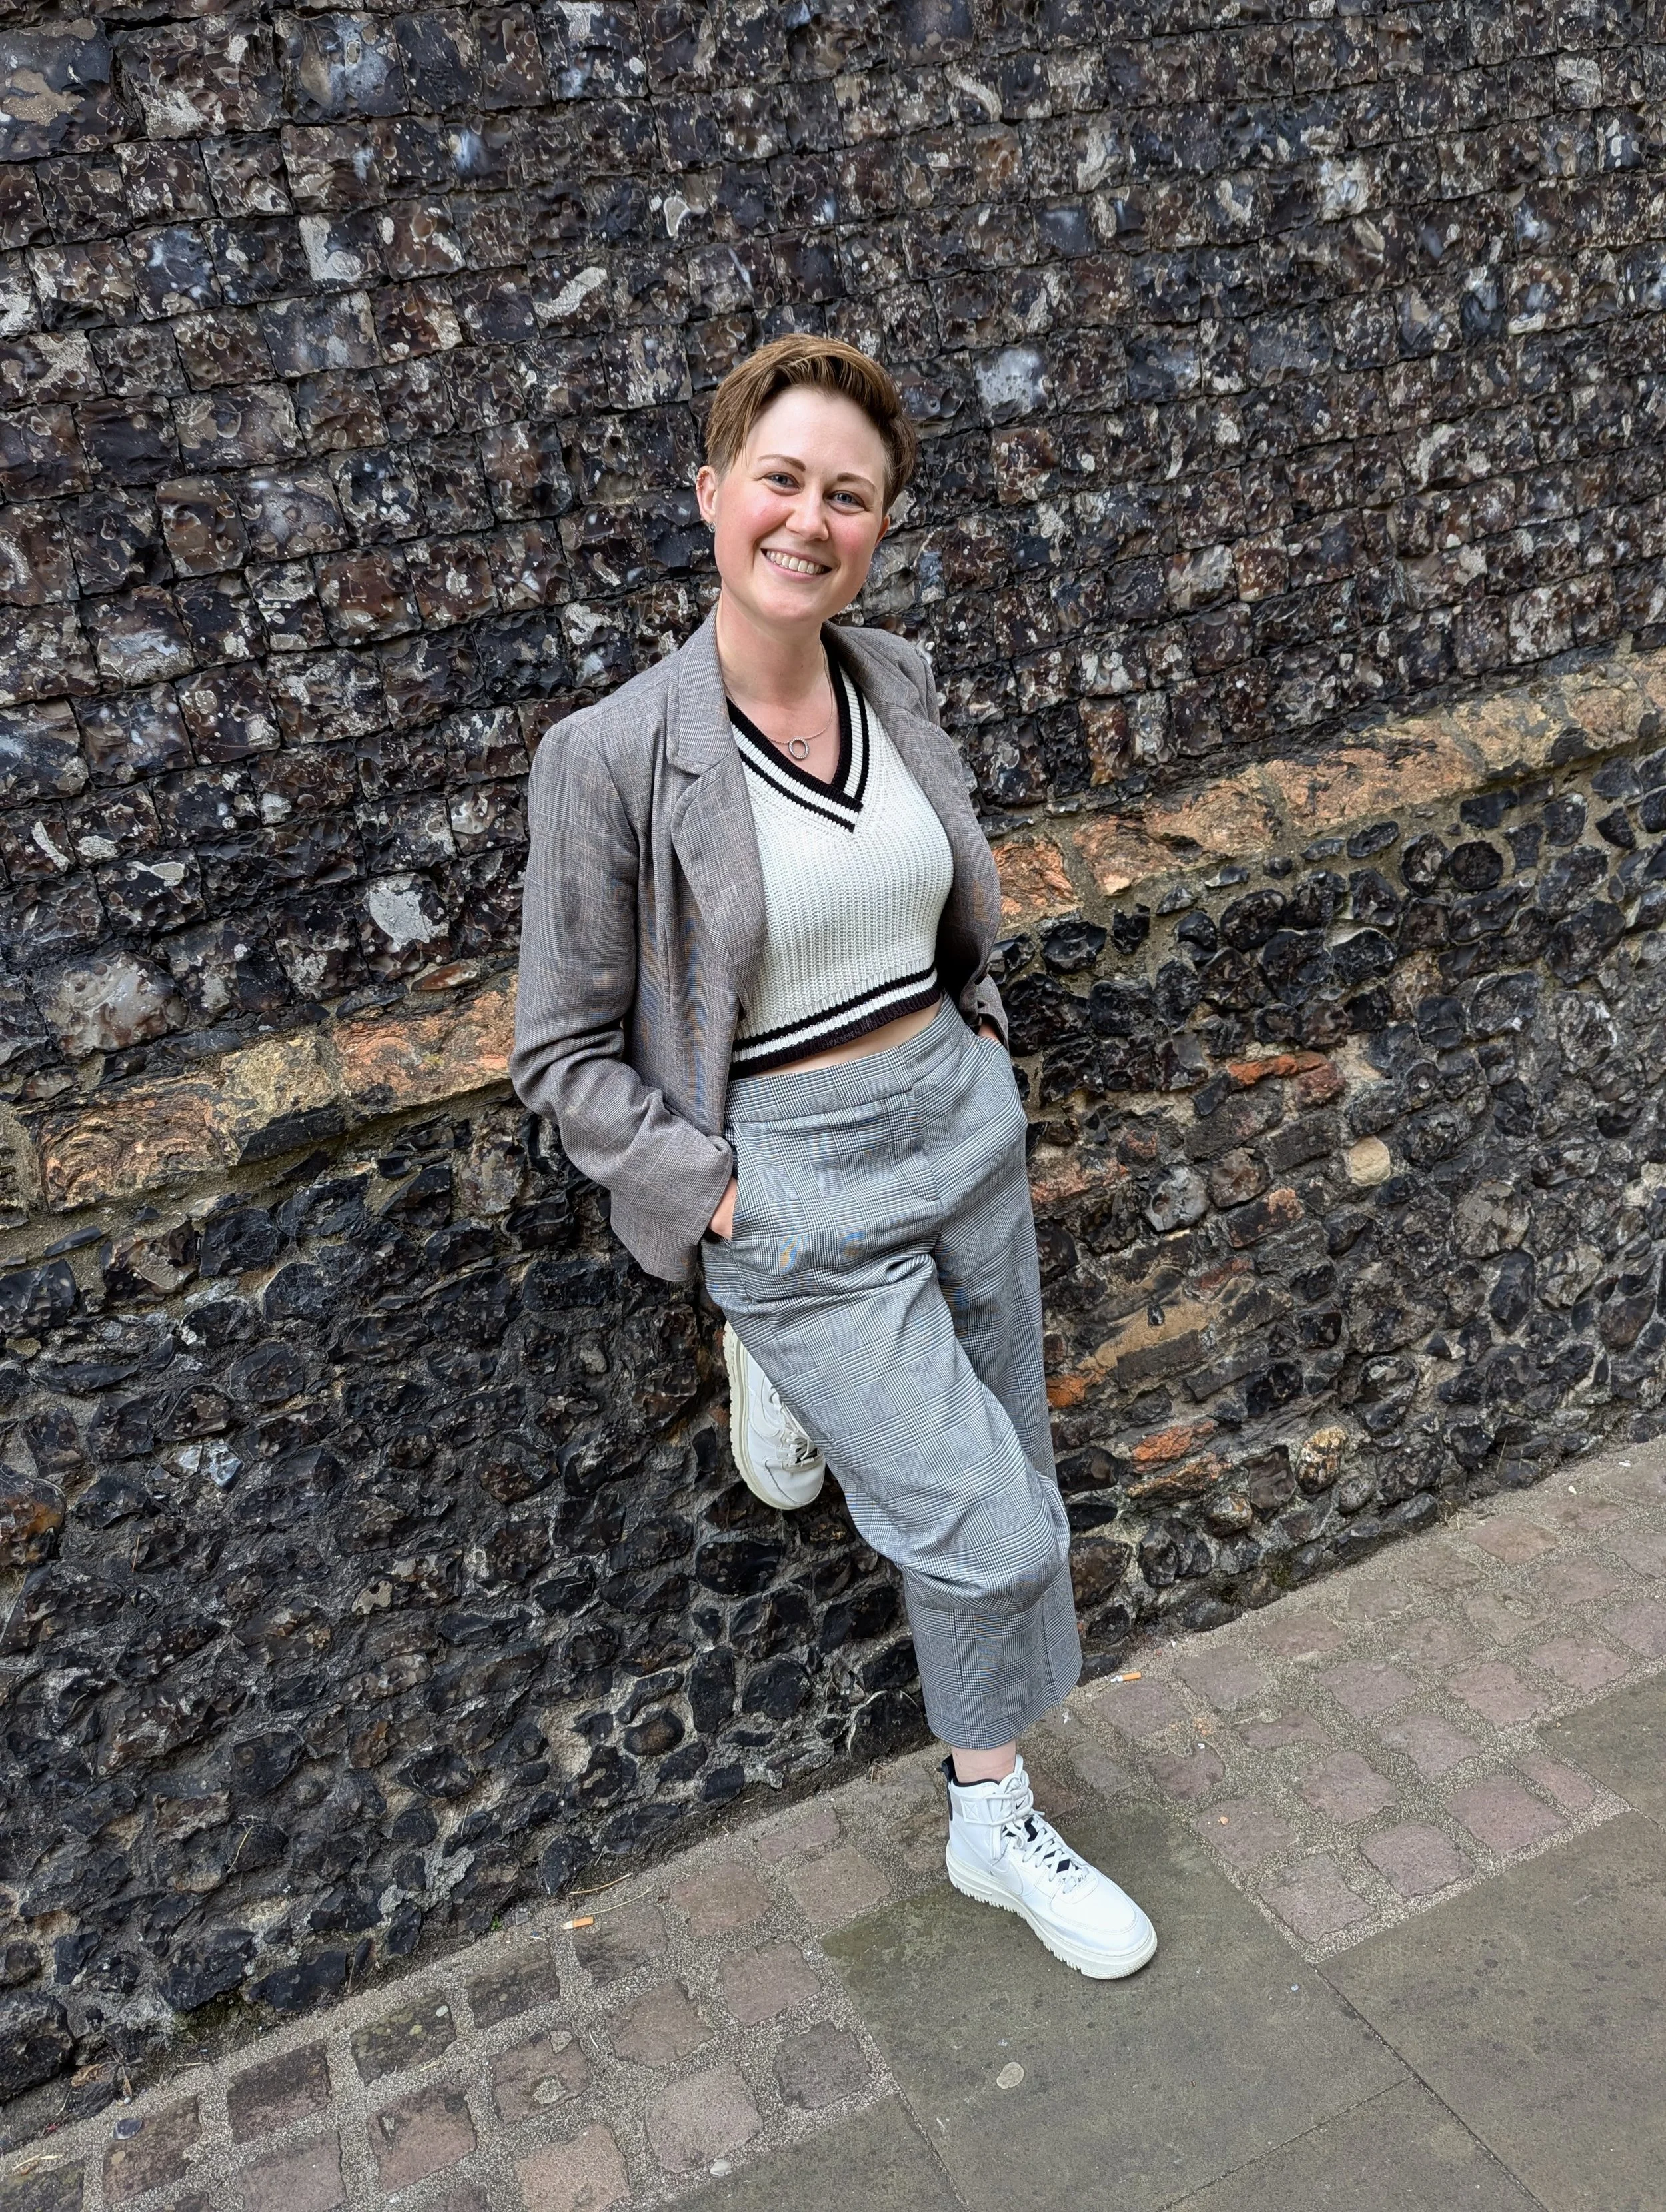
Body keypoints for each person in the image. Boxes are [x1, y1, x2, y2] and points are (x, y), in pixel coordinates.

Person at [512, 336, 1156, 1980]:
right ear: (713, 493)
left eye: (847, 494)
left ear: (879, 525)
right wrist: (718, 1200)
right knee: (999, 1530)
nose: (808, 519)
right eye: (779, 480)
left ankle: (986, 1811)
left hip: (958, 1120)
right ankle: (780, 1337)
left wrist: (987, 1040)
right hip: (790, 1172)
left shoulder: (897, 681)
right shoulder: (609, 756)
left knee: (1011, 1451)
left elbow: (946, 905)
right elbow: (560, 1054)